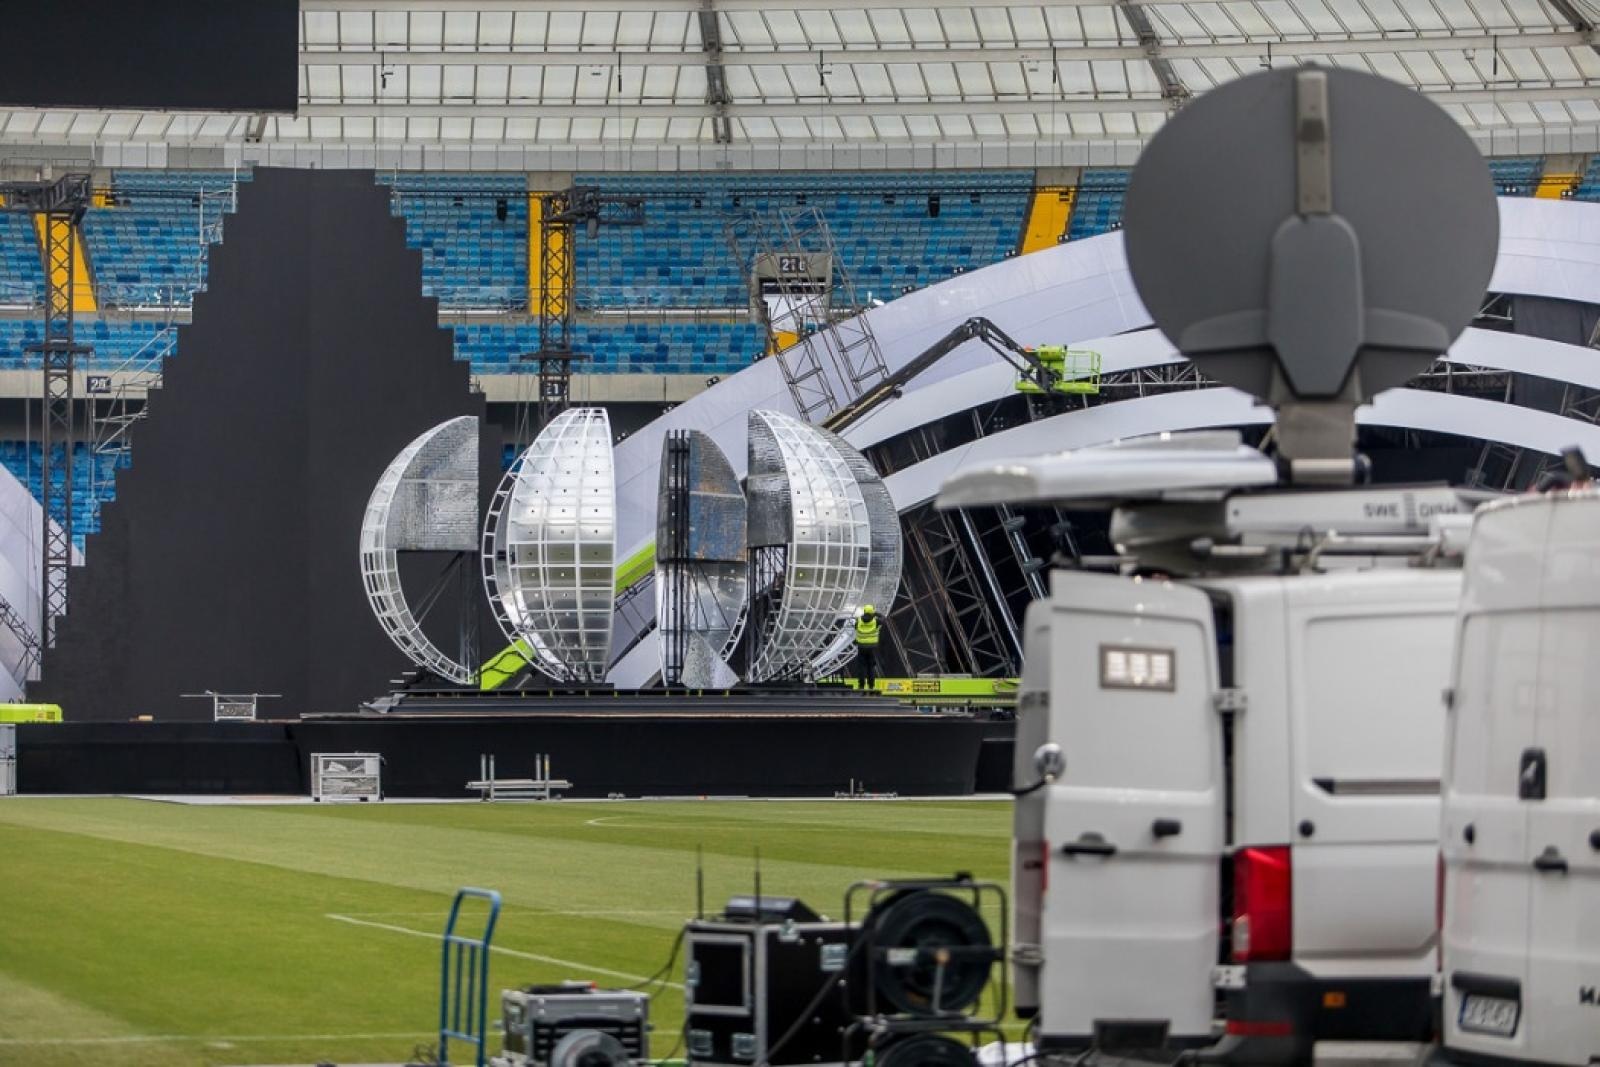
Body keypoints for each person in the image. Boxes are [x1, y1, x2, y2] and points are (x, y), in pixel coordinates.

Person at [853, 604, 882, 691]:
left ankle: (861, 686)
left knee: (861, 667)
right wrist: (877, 614)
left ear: (864, 611)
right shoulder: (876, 621)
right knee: (871, 667)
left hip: (861, 647)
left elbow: (856, 628)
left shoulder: (859, 621)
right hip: (872, 648)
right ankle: (871, 686)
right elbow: (884, 620)